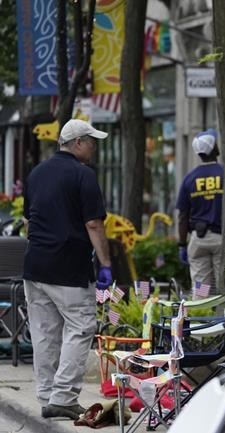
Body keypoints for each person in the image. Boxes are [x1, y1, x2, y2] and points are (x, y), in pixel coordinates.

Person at [22, 119, 113, 420]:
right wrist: (106, 264)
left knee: (44, 332)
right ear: (77, 143)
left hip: (35, 267)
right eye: (91, 140)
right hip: (69, 267)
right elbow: (94, 224)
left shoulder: (36, 173)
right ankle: (62, 397)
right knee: (81, 327)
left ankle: (48, 395)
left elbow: (28, 221)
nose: (94, 146)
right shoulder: (82, 175)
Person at [176, 128, 224, 292]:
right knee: (224, 287)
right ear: (214, 149)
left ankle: (200, 316)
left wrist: (182, 244)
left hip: (198, 240)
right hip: (222, 238)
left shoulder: (189, 179)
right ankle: (224, 317)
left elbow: (183, 216)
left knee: (201, 289)